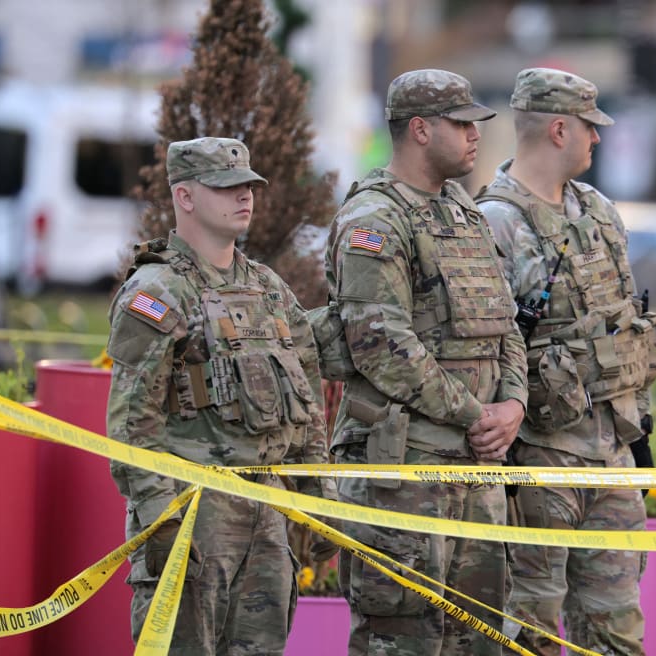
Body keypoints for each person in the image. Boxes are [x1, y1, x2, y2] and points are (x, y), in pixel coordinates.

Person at [323, 69, 528, 656]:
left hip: (475, 467)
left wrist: (513, 403)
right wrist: (474, 413)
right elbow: (382, 346)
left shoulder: (463, 212)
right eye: (461, 123)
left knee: (478, 637)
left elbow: (504, 320)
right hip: (405, 470)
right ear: (419, 129)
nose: (475, 135)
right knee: (403, 636)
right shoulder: (375, 220)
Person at [106, 137, 332, 654]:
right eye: (226, 187)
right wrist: (161, 518)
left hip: (266, 513)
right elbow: (130, 423)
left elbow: (306, 399)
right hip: (193, 516)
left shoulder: (268, 288)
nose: (244, 197)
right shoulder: (159, 291)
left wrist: (319, 495)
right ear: (184, 197)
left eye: (249, 186)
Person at [476, 68, 656, 656]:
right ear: (559, 129)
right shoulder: (493, 223)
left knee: (617, 626)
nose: (598, 139)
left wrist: (639, 438)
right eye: (590, 127)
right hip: (539, 464)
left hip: (612, 458)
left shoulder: (600, 213)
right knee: (528, 628)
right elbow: (486, 350)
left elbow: (627, 322)